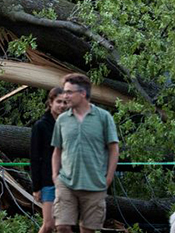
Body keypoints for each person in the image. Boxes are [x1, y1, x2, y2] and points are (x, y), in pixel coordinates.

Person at [52, 73, 120, 233]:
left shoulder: (103, 117)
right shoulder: (62, 120)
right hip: (66, 183)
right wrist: (55, 176)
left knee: (87, 229)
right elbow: (57, 149)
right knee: (61, 226)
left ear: (82, 93)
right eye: (64, 91)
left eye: (69, 92)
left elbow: (113, 148)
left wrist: (108, 177)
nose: (65, 96)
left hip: (95, 184)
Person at [30, 87, 67, 233]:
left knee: (64, 226)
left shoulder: (70, 125)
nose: (62, 105)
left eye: (65, 102)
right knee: (49, 225)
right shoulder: (41, 126)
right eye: (59, 101)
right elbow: (34, 157)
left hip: (68, 182)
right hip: (48, 181)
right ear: (51, 103)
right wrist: (36, 187)